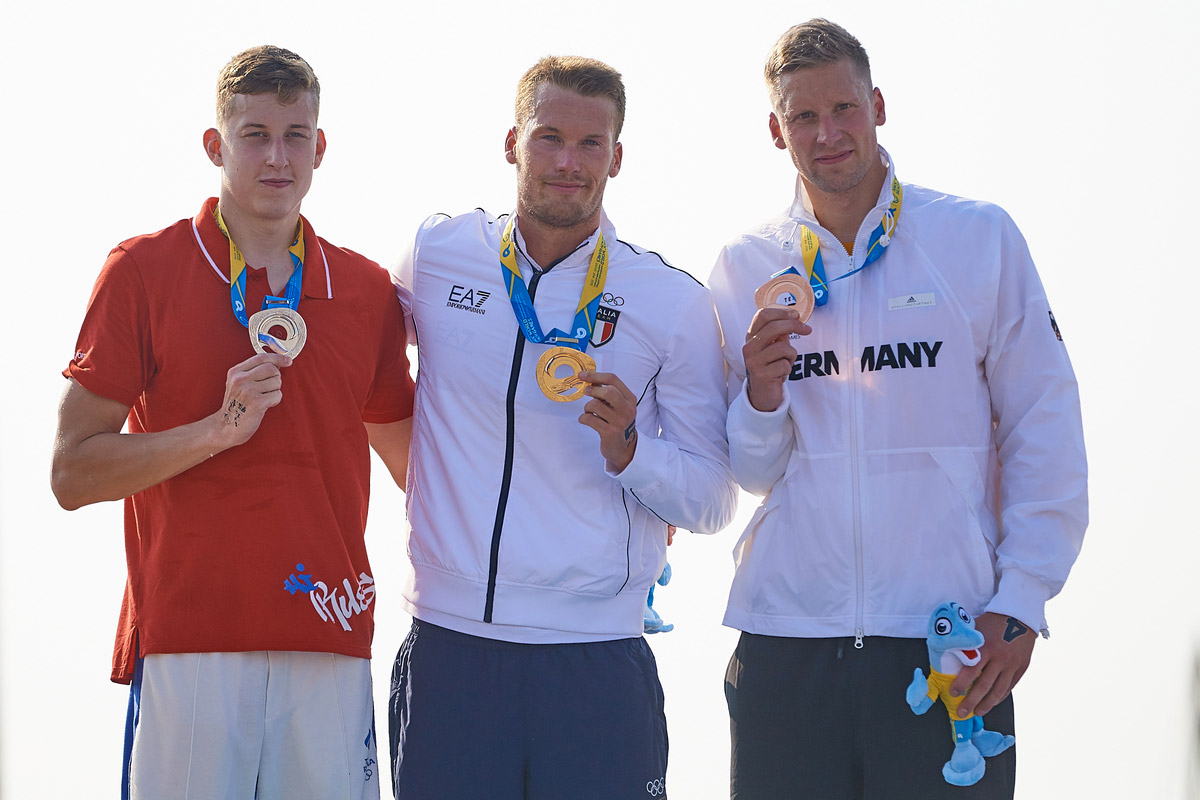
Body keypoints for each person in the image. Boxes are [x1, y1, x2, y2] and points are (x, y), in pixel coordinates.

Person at [708, 19, 1088, 799]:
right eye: (804, 118)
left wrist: (1021, 604)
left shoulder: (976, 238)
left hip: (943, 642)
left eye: (843, 108)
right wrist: (761, 394)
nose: (829, 133)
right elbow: (749, 470)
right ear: (776, 132)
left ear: (878, 106)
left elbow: (1044, 426)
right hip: (787, 645)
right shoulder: (745, 264)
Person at [51, 45, 414, 800]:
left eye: (295, 135)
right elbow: (72, 471)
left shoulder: (366, 290)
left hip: (328, 630)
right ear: (216, 145)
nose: (276, 157)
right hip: (192, 639)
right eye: (255, 134)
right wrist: (214, 431)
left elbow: (422, 471)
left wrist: (602, 506)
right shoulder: (143, 271)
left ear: (321, 147)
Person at [387, 55, 737, 799]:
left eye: (591, 144)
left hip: (595, 659)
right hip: (450, 647)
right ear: (512, 142)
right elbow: (359, 365)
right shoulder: (438, 253)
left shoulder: (670, 301)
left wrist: (632, 452)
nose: (568, 163)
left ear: (617, 157)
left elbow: (712, 500)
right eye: (549, 138)